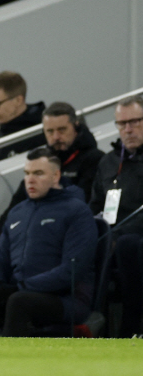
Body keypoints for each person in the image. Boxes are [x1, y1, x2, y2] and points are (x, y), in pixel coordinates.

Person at [0, 147, 98, 337]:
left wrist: (20, 287)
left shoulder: (77, 211)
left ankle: (10, 363)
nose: (30, 180)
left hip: (63, 299)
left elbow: (72, 270)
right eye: (27, 173)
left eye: (38, 173)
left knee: (19, 301)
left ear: (56, 176)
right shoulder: (17, 212)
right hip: (18, 293)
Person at [0, 101, 105, 263]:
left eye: (62, 130)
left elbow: (86, 204)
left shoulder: (93, 159)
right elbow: (16, 203)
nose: (56, 137)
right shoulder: (41, 161)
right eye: (50, 131)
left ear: (75, 127)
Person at [89, 95, 143, 337]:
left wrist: (116, 234)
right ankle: (86, 323)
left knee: (126, 245)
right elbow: (95, 205)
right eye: (122, 124)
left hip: (134, 239)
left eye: (135, 122)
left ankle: (130, 327)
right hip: (111, 238)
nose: (128, 129)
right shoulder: (108, 162)